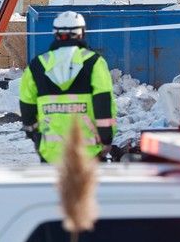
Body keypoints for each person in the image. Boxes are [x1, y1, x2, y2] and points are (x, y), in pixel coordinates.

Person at [19, 11, 116, 163]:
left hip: (51, 152)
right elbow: (103, 103)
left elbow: (27, 107)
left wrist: (36, 136)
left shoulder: (37, 65)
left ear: (55, 34)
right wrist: (106, 139)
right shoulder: (95, 63)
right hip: (88, 152)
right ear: (81, 33)